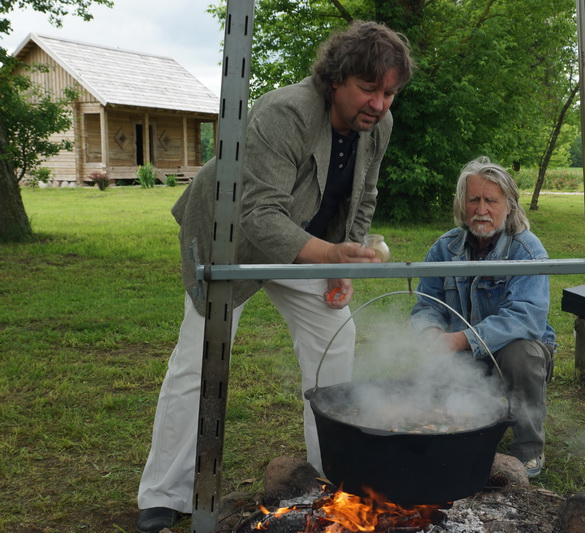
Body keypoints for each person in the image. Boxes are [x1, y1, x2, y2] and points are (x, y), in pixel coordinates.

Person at [136, 21, 414, 533]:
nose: (379, 104)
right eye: (369, 89)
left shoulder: (381, 126)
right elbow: (258, 215)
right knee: (199, 359)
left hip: (308, 241)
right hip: (230, 236)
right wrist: (330, 254)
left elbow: (364, 196)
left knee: (337, 337)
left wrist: (345, 260)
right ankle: (162, 495)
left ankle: (337, 481)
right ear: (337, 79)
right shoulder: (284, 111)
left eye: (390, 93)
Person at [410, 156, 556, 479]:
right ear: (462, 205)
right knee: (428, 360)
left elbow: (526, 318)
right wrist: (430, 334)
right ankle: (449, 431)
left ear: (509, 205)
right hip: (463, 354)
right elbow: (425, 305)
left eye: (491, 200)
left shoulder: (527, 250)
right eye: (473, 199)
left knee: (522, 352)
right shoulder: (444, 249)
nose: (481, 209)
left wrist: (460, 340)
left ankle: (528, 451)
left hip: (512, 355)